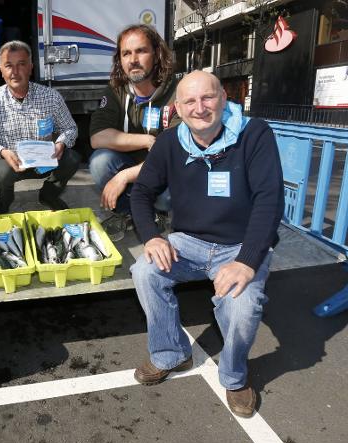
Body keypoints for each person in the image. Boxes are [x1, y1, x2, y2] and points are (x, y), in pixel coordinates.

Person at [129, 71, 284, 418]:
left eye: (208, 98)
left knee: (242, 307)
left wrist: (246, 261)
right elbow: (141, 193)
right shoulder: (170, 142)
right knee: (145, 271)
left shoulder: (254, 134)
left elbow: (270, 201)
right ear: (178, 109)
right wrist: (152, 236)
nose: (200, 108)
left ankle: (233, 376)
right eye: (190, 101)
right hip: (189, 242)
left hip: (241, 245)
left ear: (224, 98)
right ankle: (170, 353)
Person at [89, 24, 179, 241]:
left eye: (141, 51)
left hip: (164, 172)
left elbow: (173, 154)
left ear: (157, 54)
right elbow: (97, 137)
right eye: (126, 53)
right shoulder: (115, 90)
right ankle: (129, 213)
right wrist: (146, 140)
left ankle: (158, 212)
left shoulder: (178, 91)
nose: (133, 60)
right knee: (99, 162)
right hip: (134, 164)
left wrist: (123, 177)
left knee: (167, 197)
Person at [0, 40, 81, 214]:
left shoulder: (50, 97)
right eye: (9, 66)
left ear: (31, 67)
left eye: (21, 64)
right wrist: (3, 152)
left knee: (72, 158)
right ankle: (5, 198)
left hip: (44, 161)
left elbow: (70, 128)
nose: (15, 72)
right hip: (10, 163)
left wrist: (61, 144)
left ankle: (49, 194)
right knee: (1, 173)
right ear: (1, 70)